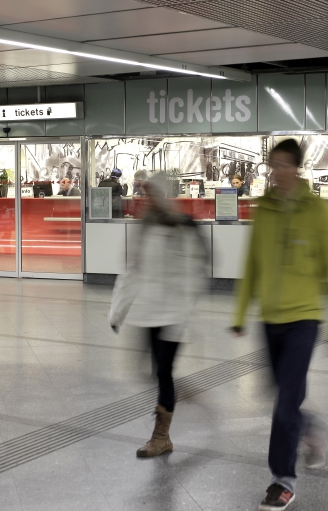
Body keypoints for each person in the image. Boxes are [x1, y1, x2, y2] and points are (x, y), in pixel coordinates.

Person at [233, 139, 328, 511]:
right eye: (273, 165)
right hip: (270, 318)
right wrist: (239, 314)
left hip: (305, 318)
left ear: (297, 168)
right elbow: (252, 263)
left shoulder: (316, 210)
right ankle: (310, 427)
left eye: (284, 165)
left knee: (285, 405)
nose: (277, 172)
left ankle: (282, 481)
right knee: (280, 395)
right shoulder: (262, 208)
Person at [109, 174, 207, 458]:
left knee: (163, 372)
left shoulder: (183, 227)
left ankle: (161, 437)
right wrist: (118, 311)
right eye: (144, 194)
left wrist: (187, 309)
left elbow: (196, 271)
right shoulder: (144, 229)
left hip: (175, 314)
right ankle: (178, 394)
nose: (146, 199)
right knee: (152, 372)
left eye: (152, 194)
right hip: (149, 312)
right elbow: (132, 271)